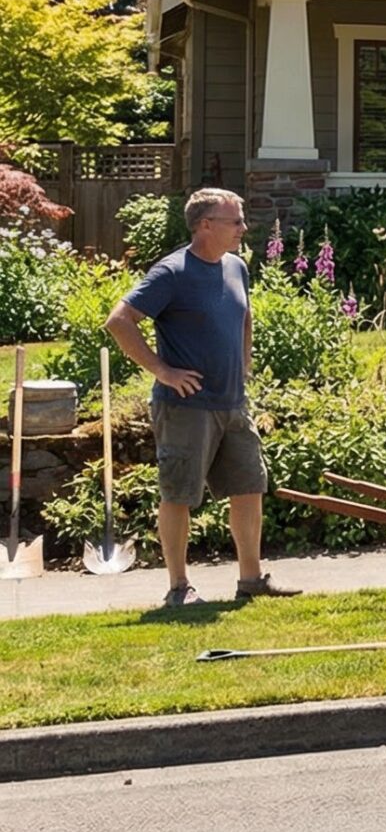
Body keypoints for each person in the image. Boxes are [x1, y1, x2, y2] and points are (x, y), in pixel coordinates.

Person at [106, 187, 301, 607]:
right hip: (185, 408)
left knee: (249, 487)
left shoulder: (236, 266)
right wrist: (163, 370)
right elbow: (119, 320)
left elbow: (244, 315)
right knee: (179, 495)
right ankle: (179, 588)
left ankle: (251, 580)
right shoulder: (172, 272)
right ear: (205, 225)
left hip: (233, 403)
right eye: (235, 221)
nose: (244, 228)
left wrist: (244, 364)